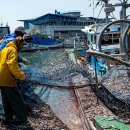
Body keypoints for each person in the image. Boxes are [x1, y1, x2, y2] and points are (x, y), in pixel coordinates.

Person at [0, 36, 28, 126]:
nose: (22, 47)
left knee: (6, 99)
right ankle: (21, 119)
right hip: (8, 79)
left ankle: (8, 117)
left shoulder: (4, 49)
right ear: (18, 43)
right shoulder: (13, 49)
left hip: (1, 79)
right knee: (16, 99)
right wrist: (21, 76)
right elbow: (12, 65)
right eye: (22, 45)